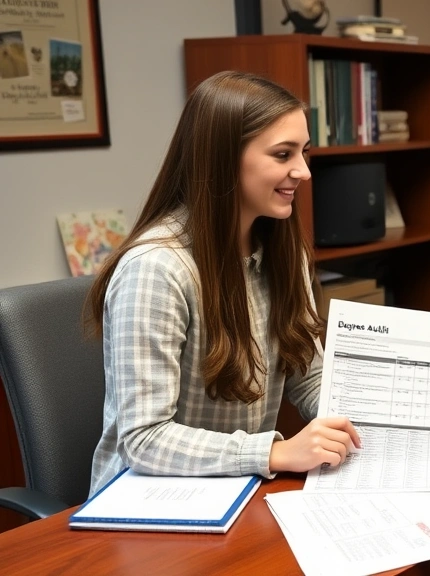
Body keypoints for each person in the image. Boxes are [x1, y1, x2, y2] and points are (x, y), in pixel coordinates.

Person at [86, 71, 360, 495]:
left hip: (234, 488)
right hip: (144, 504)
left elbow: (306, 373)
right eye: (283, 154)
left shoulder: (283, 254)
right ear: (224, 159)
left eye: (304, 152)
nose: (303, 172)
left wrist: (376, 413)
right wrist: (274, 454)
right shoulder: (156, 268)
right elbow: (144, 440)